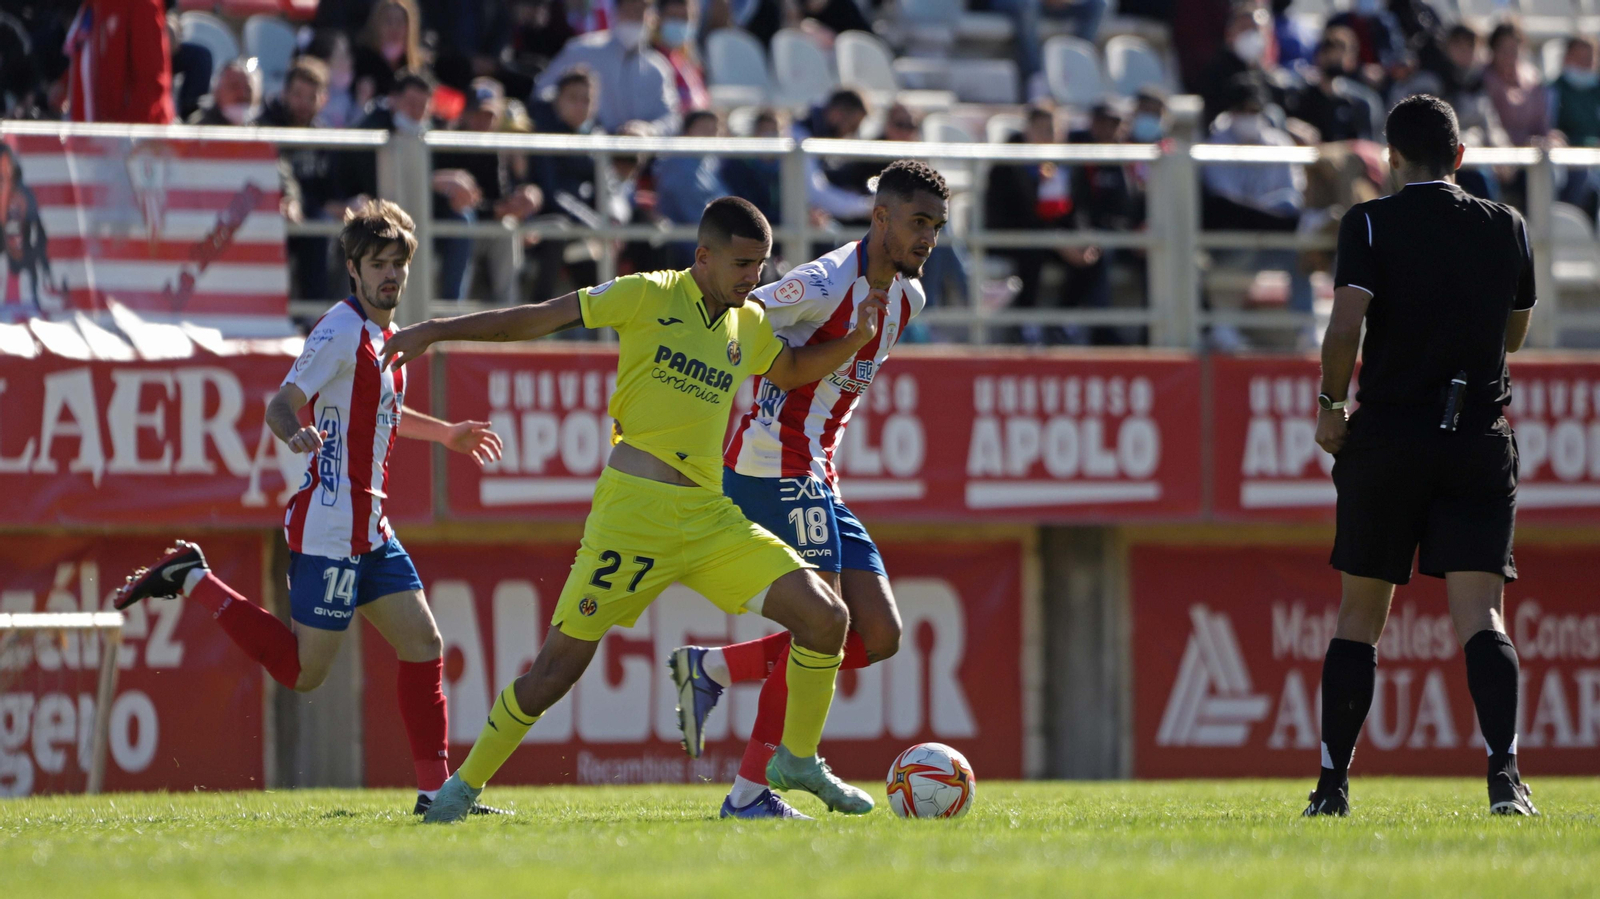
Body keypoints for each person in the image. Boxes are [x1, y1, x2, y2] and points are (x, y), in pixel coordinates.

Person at [382, 197, 887, 823]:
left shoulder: (749, 324)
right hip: (632, 516)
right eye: (740, 265)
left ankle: (796, 761)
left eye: (758, 265)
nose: (752, 279)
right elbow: (539, 318)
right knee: (554, 671)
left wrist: (858, 337)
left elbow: (790, 369)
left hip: (708, 518)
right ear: (703, 256)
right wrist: (435, 328)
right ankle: (459, 792)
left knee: (825, 618)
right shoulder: (647, 294)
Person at [112, 201, 506, 817]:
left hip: (370, 526)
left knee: (424, 644)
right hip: (328, 527)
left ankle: (437, 796)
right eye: (378, 264)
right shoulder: (341, 328)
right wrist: (293, 433)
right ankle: (193, 577)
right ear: (353, 268)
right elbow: (281, 402)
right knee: (305, 674)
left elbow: (382, 413)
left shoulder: (383, 337)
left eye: (398, 264)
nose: (390, 276)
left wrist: (447, 433)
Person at [668, 161, 947, 819]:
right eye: (917, 222)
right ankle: (752, 791)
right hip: (771, 462)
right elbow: (742, 316)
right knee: (816, 623)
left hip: (818, 470)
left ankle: (713, 669)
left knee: (877, 633)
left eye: (936, 225)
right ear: (879, 218)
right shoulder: (824, 280)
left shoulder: (909, 299)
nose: (928, 238)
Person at [1307, 94, 1537, 817]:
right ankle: (1505, 779)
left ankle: (1333, 786)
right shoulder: (1507, 225)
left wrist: (1331, 405)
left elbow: (1345, 327)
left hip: (1391, 435)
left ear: (1391, 160)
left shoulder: (1371, 220)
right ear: (1461, 157)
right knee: (1483, 616)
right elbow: (1516, 335)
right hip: (1475, 436)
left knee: (1359, 616)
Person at [533, 0, 681, 136]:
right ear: (615, 12)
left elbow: (671, 118)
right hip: (584, 153)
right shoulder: (581, 51)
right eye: (628, 10)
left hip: (639, 158)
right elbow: (542, 93)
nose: (634, 17)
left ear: (651, 18)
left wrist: (648, 130)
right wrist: (581, 118)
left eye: (640, 11)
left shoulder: (658, 68)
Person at [258, 58, 338, 302]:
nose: (303, 103)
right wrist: (289, 198)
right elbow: (273, 166)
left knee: (326, 226)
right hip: (267, 211)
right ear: (284, 93)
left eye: (311, 97)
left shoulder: (324, 138)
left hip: (308, 218)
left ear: (323, 99)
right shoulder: (263, 126)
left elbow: (330, 188)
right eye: (297, 95)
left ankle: (315, 318)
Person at [64, 0, 174, 124]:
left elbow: (151, 82)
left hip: (134, 136)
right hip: (92, 133)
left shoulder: (142, 3)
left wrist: (117, 136)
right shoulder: (93, 4)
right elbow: (91, 60)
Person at [1482, 21, 1549, 148]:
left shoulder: (1533, 79)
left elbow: (1541, 125)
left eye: (1513, 49)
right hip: (1494, 152)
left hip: (1531, 153)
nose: (1509, 56)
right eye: (1503, 50)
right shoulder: (1483, 79)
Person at [354, 0, 426, 112]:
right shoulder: (361, 63)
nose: (394, 28)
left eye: (400, 21)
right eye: (388, 21)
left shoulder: (419, 68)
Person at [652, 0, 709, 111]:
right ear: (658, 19)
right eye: (673, 17)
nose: (679, 23)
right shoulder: (651, 60)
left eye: (685, 18)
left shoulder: (691, 61)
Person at [188, 58, 262, 126]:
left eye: (248, 89)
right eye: (234, 87)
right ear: (216, 92)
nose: (242, 94)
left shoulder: (264, 128)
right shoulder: (199, 129)